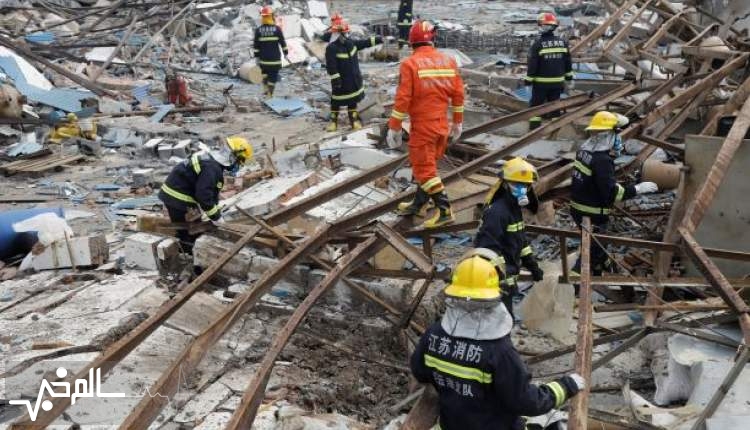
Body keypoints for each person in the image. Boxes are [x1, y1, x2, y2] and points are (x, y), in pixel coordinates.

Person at [411, 252, 584, 430]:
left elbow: (420, 372)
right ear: (493, 296)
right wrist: (565, 386)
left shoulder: (433, 335)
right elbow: (525, 401)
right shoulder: (499, 351)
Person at [386, 20, 464, 228]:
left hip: (423, 127)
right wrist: (457, 123)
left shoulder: (410, 64)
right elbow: (458, 94)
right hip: (441, 126)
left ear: (412, 42)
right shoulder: (449, 61)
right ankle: (418, 203)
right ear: (432, 40)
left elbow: (403, 99)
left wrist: (394, 126)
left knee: (424, 169)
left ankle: (445, 211)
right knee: (427, 166)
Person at [570, 111, 659, 275]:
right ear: (609, 135)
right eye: (617, 134)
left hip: (578, 209)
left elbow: (594, 181)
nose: (619, 139)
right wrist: (638, 189)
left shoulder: (584, 151)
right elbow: (612, 194)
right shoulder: (603, 161)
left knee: (596, 247)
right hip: (593, 215)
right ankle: (573, 287)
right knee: (590, 254)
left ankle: (601, 267)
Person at [474, 157, 544, 320]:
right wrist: (502, 278)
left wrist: (533, 266)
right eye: (517, 184)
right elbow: (487, 249)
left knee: (504, 320)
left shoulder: (514, 209)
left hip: (509, 278)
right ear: (505, 184)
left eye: (526, 185)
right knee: (501, 321)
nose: (522, 189)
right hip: (496, 281)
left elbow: (520, 242)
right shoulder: (497, 213)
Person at [158, 136, 253, 253]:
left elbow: (210, 191)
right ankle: (188, 258)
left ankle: (187, 251)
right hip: (176, 197)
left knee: (194, 227)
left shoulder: (212, 162)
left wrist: (216, 209)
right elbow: (204, 196)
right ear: (232, 156)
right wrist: (217, 218)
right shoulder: (212, 168)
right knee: (189, 232)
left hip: (177, 193)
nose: (239, 165)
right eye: (239, 161)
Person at [325, 19, 383, 132]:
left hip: (353, 80)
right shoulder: (331, 48)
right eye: (344, 33)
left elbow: (363, 43)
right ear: (337, 34)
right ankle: (333, 122)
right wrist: (336, 79)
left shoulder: (350, 43)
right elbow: (331, 66)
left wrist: (376, 40)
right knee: (336, 102)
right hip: (340, 82)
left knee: (352, 101)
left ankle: (354, 120)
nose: (346, 35)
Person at [524, 12, 573, 130]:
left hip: (541, 84)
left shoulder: (537, 44)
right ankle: (556, 130)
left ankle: (534, 132)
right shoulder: (563, 43)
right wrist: (569, 77)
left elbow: (533, 64)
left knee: (536, 108)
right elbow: (568, 61)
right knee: (555, 106)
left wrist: (528, 80)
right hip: (558, 83)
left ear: (541, 26)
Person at [254, 6, 288, 98]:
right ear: (271, 16)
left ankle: (265, 90)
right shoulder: (277, 29)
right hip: (275, 60)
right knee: (272, 77)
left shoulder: (258, 30)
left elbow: (256, 46)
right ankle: (270, 94)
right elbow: (283, 43)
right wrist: (286, 54)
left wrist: (256, 57)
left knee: (265, 74)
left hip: (263, 60)